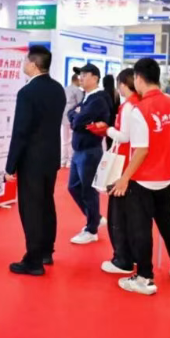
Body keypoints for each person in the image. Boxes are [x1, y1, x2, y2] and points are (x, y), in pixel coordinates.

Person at [110, 58, 170, 296]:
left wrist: (125, 177)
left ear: (138, 79)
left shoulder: (140, 109)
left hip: (144, 178)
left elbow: (141, 150)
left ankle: (144, 277)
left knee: (140, 228)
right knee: (168, 224)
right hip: (167, 175)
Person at [5, 46, 66, 276]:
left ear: (33, 64)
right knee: (46, 204)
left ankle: (33, 260)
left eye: (25, 61)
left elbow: (20, 131)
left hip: (32, 159)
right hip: (50, 157)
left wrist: (10, 165)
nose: (23, 64)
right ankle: (46, 251)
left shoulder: (27, 92)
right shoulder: (58, 89)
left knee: (31, 208)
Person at [96, 68, 140, 275]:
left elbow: (124, 136)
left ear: (123, 84)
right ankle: (133, 255)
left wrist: (107, 129)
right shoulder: (141, 103)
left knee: (118, 214)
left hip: (123, 164)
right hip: (135, 164)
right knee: (131, 214)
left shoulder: (129, 106)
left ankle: (122, 259)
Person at [67, 63, 112, 245]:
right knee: (73, 187)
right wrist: (76, 117)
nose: (81, 78)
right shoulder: (87, 98)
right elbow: (71, 114)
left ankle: (92, 229)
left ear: (94, 77)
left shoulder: (98, 99)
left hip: (90, 150)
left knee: (88, 190)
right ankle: (95, 218)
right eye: (80, 75)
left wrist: (77, 117)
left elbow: (78, 121)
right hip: (79, 150)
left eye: (84, 75)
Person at [62, 74, 83, 168]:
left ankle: (63, 160)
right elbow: (80, 105)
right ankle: (70, 161)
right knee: (71, 140)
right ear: (76, 80)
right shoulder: (78, 91)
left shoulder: (65, 89)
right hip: (72, 118)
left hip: (64, 117)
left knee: (64, 140)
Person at [102, 74, 120, 149]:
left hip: (105, 119)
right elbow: (118, 107)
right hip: (113, 119)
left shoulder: (103, 94)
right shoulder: (116, 93)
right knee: (111, 138)